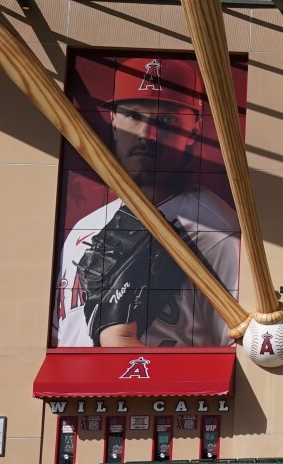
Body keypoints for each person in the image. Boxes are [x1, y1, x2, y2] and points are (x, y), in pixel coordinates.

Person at [53, 55, 240, 347]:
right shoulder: (85, 228)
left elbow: (234, 352)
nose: (147, 135)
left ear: (193, 128)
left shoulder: (217, 231)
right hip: (68, 390)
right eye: (133, 116)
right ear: (113, 121)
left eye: (167, 120)